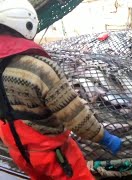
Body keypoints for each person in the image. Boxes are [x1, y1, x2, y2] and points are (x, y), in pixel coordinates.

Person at [0, 0, 121, 179]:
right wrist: (104, 137)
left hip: (19, 153)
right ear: (26, 25)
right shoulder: (39, 68)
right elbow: (75, 114)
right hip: (54, 155)